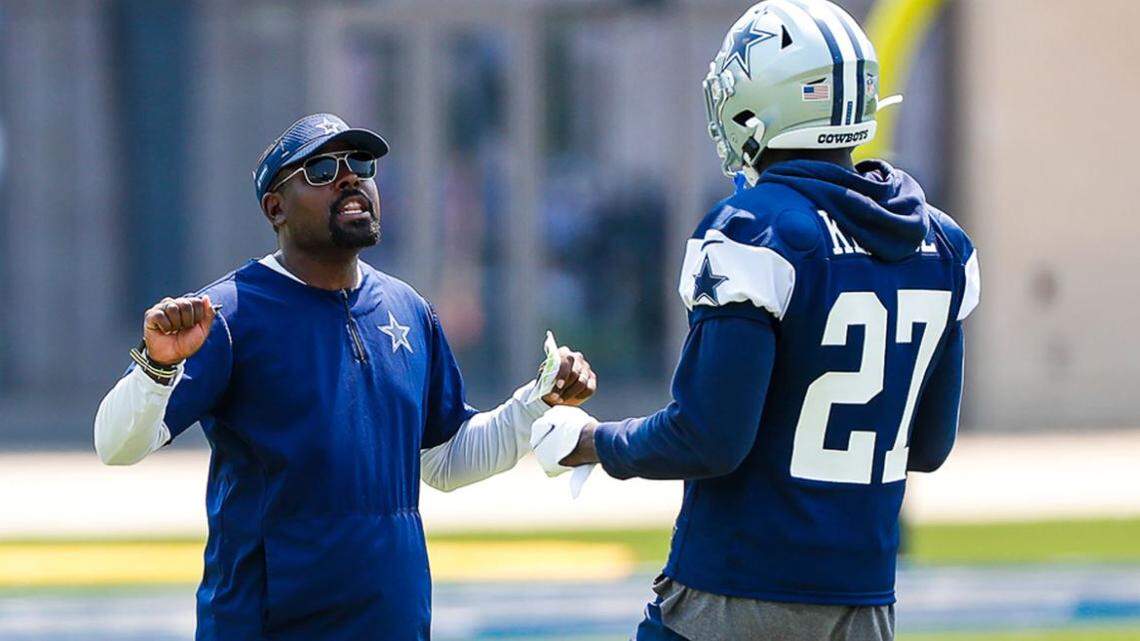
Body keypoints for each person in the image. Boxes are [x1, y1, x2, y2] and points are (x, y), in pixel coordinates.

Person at [529, 2, 979, 640]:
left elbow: (709, 438)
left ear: (765, 103)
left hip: (737, 592)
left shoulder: (754, 231)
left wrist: (596, 443)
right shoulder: (944, 245)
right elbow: (928, 447)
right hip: (866, 600)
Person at [93, 113, 597, 640]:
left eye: (360, 164)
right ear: (275, 208)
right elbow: (115, 444)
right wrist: (157, 367)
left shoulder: (408, 307)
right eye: (322, 169)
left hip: (393, 622)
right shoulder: (228, 314)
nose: (350, 177)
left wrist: (535, 405)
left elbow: (445, 460)